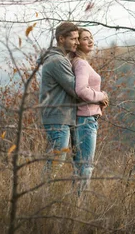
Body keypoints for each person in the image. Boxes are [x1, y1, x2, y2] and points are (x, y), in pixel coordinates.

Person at [39, 21, 80, 181]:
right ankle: (42, 194)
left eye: (78, 39)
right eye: (74, 39)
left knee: (57, 160)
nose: (77, 42)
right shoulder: (57, 61)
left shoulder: (59, 59)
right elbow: (75, 89)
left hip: (60, 117)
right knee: (56, 161)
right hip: (57, 118)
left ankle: (44, 194)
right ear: (61, 39)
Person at [71, 28, 109, 196]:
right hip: (85, 120)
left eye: (91, 37)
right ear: (78, 42)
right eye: (85, 38)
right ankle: (79, 203)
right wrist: (101, 96)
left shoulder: (80, 62)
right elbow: (81, 90)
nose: (91, 41)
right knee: (86, 165)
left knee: (81, 165)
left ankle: (75, 202)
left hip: (85, 119)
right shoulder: (81, 63)